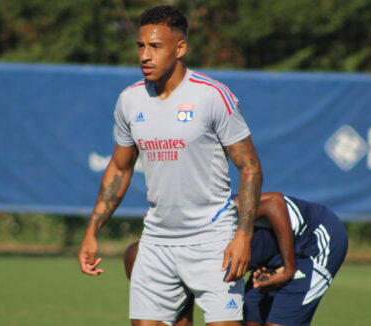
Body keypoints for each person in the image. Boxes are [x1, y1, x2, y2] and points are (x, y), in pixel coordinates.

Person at [78, 5, 265, 326]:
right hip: (157, 241)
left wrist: (243, 236)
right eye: (140, 46)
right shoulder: (129, 100)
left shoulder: (212, 96)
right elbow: (120, 169)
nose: (145, 56)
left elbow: (250, 167)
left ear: (180, 48)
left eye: (156, 46)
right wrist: (92, 230)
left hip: (213, 242)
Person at [124, 192, 349, 326]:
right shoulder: (171, 260)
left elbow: (274, 203)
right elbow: (183, 315)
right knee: (248, 318)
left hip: (314, 239)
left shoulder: (215, 214)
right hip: (271, 259)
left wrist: (288, 268)